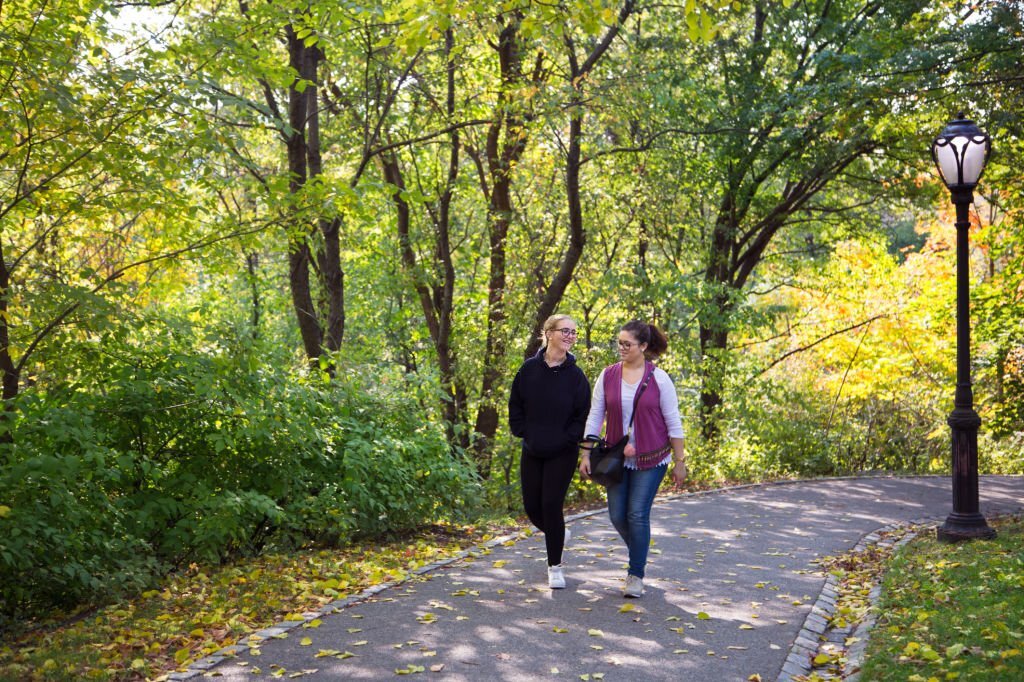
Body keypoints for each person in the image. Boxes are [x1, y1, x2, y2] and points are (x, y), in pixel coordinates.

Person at [579, 320, 687, 597]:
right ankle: (640, 552)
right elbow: (595, 415)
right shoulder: (608, 375)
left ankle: (635, 574)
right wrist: (586, 452)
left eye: (627, 344)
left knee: (637, 514)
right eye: (619, 343)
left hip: (652, 458)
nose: (621, 348)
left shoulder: (659, 379)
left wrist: (680, 461)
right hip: (617, 456)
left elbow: (673, 422)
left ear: (643, 346)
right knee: (617, 515)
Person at [508, 314, 591, 589]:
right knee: (532, 508)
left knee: (551, 505)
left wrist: (567, 439)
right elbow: (515, 404)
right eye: (565, 331)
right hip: (532, 448)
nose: (570, 336)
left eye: (574, 333)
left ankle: (555, 566)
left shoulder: (576, 377)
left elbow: (582, 415)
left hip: (562, 452)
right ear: (549, 333)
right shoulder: (528, 370)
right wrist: (524, 432)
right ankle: (558, 532)